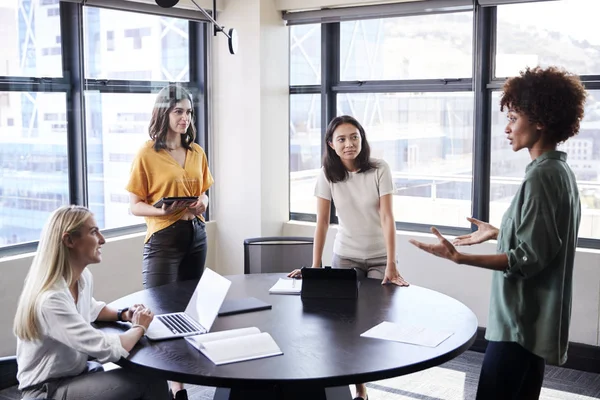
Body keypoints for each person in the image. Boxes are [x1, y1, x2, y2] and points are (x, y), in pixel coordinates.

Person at [409, 66, 587, 400]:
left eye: (514, 118)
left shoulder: (540, 178)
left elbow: (528, 258)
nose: (507, 128)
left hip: (517, 323)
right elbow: (544, 238)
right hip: (533, 324)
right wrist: (498, 231)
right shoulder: (560, 171)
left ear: (540, 120)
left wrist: (461, 258)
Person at [289, 114, 409, 400]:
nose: (349, 144)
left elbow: (388, 217)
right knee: (345, 324)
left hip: (380, 257)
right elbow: (321, 223)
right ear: (331, 144)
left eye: (354, 137)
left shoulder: (380, 168)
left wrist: (392, 263)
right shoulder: (327, 174)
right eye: (341, 139)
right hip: (346, 257)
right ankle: (359, 388)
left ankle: (370, 374)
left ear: (362, 139)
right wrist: (315, 267)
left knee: (375, 320)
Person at [14, 205, 168, 400]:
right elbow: (108, 349)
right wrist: (139, 327)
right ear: (69, 240)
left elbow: (92, 308)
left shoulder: (81, 278)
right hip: (46, 391)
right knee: (151, 380)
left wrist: (124, 314)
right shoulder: (51, 299)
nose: (102, 240)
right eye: (94, 232)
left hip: (76, 375)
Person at [126, 84, 213, 399]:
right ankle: (176, 388)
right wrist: (163, 208)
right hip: (163, 238)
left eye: (188, 112)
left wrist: (201, 201)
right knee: (161, 309)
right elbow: (135, 205)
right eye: (179, 112)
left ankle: (184, 376)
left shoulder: (196, 152)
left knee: (188, 310)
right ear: (164, 112)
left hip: (195, 235)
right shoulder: (147, 154)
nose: (185, 118)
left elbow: (203, 190)